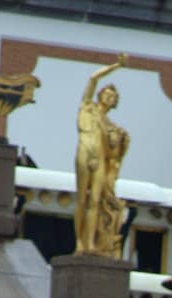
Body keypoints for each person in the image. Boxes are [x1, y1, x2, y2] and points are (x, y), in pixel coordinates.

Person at [75, 55, 130, 257]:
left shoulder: (110, 125)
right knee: (82, 198)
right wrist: (117, 65)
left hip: (99, 158)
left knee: (95, 202)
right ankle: (79, 243)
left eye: (112, 97)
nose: (108, 97)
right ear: (99, 95)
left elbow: (115, 154)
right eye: (106, 94)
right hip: (85, 151)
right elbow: (92, 78)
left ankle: (90, 244)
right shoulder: (88, 106)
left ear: (115, 102)